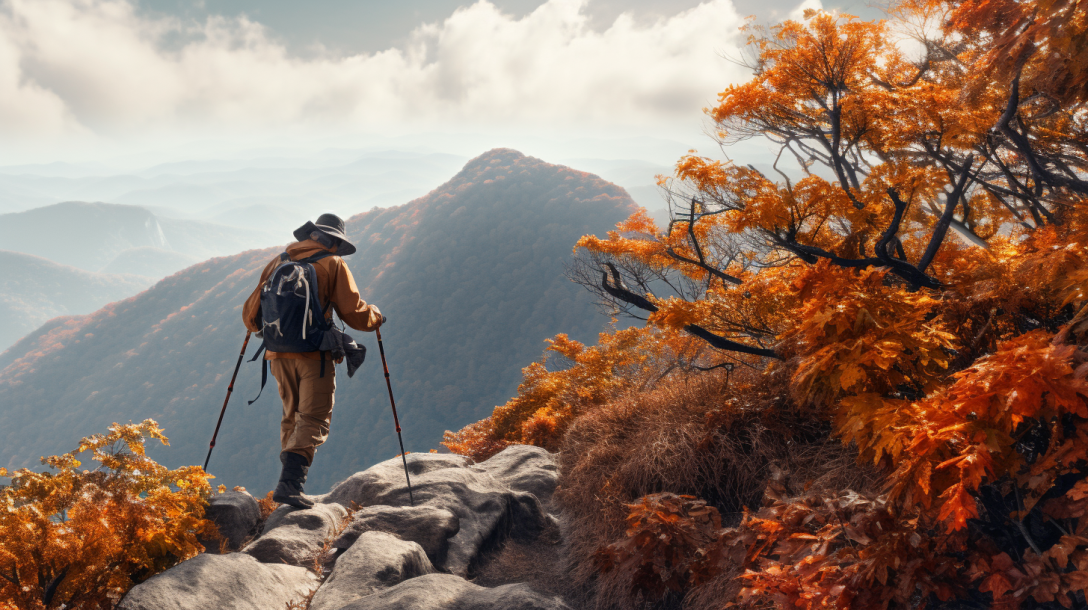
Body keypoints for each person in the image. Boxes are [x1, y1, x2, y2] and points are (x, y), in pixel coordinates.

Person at [243, 213, 383, 509]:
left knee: (291, 416)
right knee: (314, 417)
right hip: (314, 355)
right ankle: (290, 486)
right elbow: (355, 314)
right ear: (335, 241)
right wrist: (376, 316)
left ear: (312, 235)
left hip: (277, 355)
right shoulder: (333, 264)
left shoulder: (279, 261)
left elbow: (250, 315)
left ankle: (286, 486)